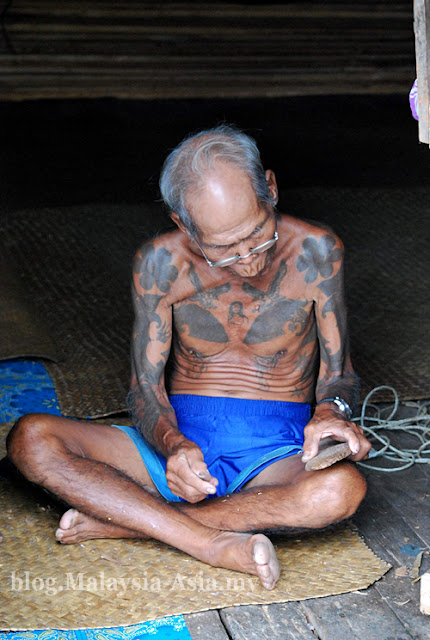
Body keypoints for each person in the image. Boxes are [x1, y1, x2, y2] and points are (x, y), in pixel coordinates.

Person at [7, 125, 371, 590]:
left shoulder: (317, 251)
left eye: (258, 234)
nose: (248, 259)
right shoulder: (161, 263)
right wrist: (173, 445)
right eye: (222, 248)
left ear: (272, 189)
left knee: (342, 489)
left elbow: (339, 374)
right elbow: (144, 388)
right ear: (184, 224)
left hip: (278, 449)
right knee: (31, 438)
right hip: (180, 441)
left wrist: (330, 411)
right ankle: (208, 543)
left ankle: (132, 522)